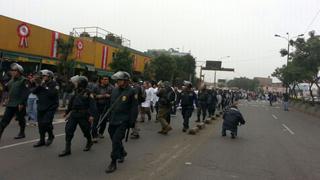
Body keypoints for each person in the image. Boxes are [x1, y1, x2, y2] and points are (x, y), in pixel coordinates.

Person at [105, 71, 138, 173]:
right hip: (113, 119)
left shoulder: (132, 91)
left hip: (123, 120)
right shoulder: (114, 90)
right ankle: (122, 151)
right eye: (118, 80)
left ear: (126, 81)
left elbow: (134, 108)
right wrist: (107, 115)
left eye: (120, 80)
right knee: (112, 136)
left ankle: (113, 162)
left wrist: (132, 122)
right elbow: (111, 104)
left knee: (116, 140)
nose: (118, 82)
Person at [59, 75, 96, 157]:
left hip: (84, 115)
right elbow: (71, 103)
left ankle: (89, 141)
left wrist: (92, 115)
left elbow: (92, 105)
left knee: (86, 130)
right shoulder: (75, 91)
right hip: (74, 114)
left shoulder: (88, 93)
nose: (75, 84)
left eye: (77, 82)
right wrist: (67, 112)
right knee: (69, 130)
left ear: (81, 83)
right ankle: (67, 149)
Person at [0, 63, 29, 141]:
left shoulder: (24, 80)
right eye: (12, 70)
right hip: (11, 104)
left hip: (19, 104)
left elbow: (25, 93)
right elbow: (6, 88)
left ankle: (22, 133)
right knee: (4, 121)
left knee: (21, 119)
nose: (12, 72)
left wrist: (22, 103)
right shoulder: (11, 80)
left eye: (14, 70)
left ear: (19, 71)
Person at [32, 69, 59, 147]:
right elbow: (33, 91)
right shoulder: (41, 84)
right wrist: (40, 85)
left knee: (46, 123)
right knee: (40, 125)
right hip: (41, 106)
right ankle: (42, 140)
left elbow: (52, 94)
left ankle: (51, 136)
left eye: (44, 76)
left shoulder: (55, 84)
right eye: (42, 76)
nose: (43, 77)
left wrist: (45, 86)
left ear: (49, 76)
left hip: (51, 107)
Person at [92, 75, 114, 142]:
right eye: (104, 79)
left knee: (104, 120)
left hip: (106, 106)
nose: (106, 80)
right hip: (97, 105)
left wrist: (109, 96)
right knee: (95, 120)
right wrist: (97, 96)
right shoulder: (96, 86)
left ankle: (101, 132)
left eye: (107, 79)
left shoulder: (111, 87)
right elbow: (92, 94)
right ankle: (94, 135)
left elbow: (114, 96)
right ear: (101, 80)